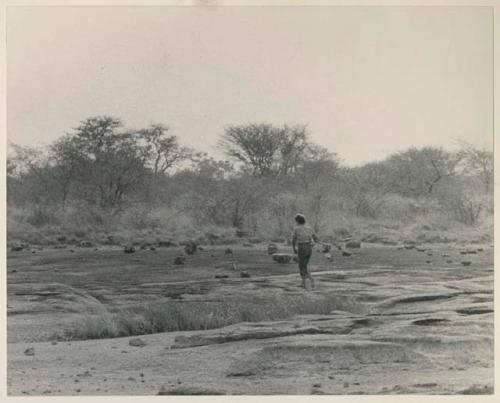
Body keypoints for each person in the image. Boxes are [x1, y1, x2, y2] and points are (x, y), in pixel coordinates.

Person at [291, 213, 318, 289]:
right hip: (309, 247)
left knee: (301, 266)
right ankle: (304, 282)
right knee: (304, 265)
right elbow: (316, 238)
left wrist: (294, 248)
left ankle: (310, 280)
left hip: (302, 247)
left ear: (297, 221)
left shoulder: (296, 229)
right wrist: (312, 244)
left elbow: (293, 240)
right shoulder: (309, 228)